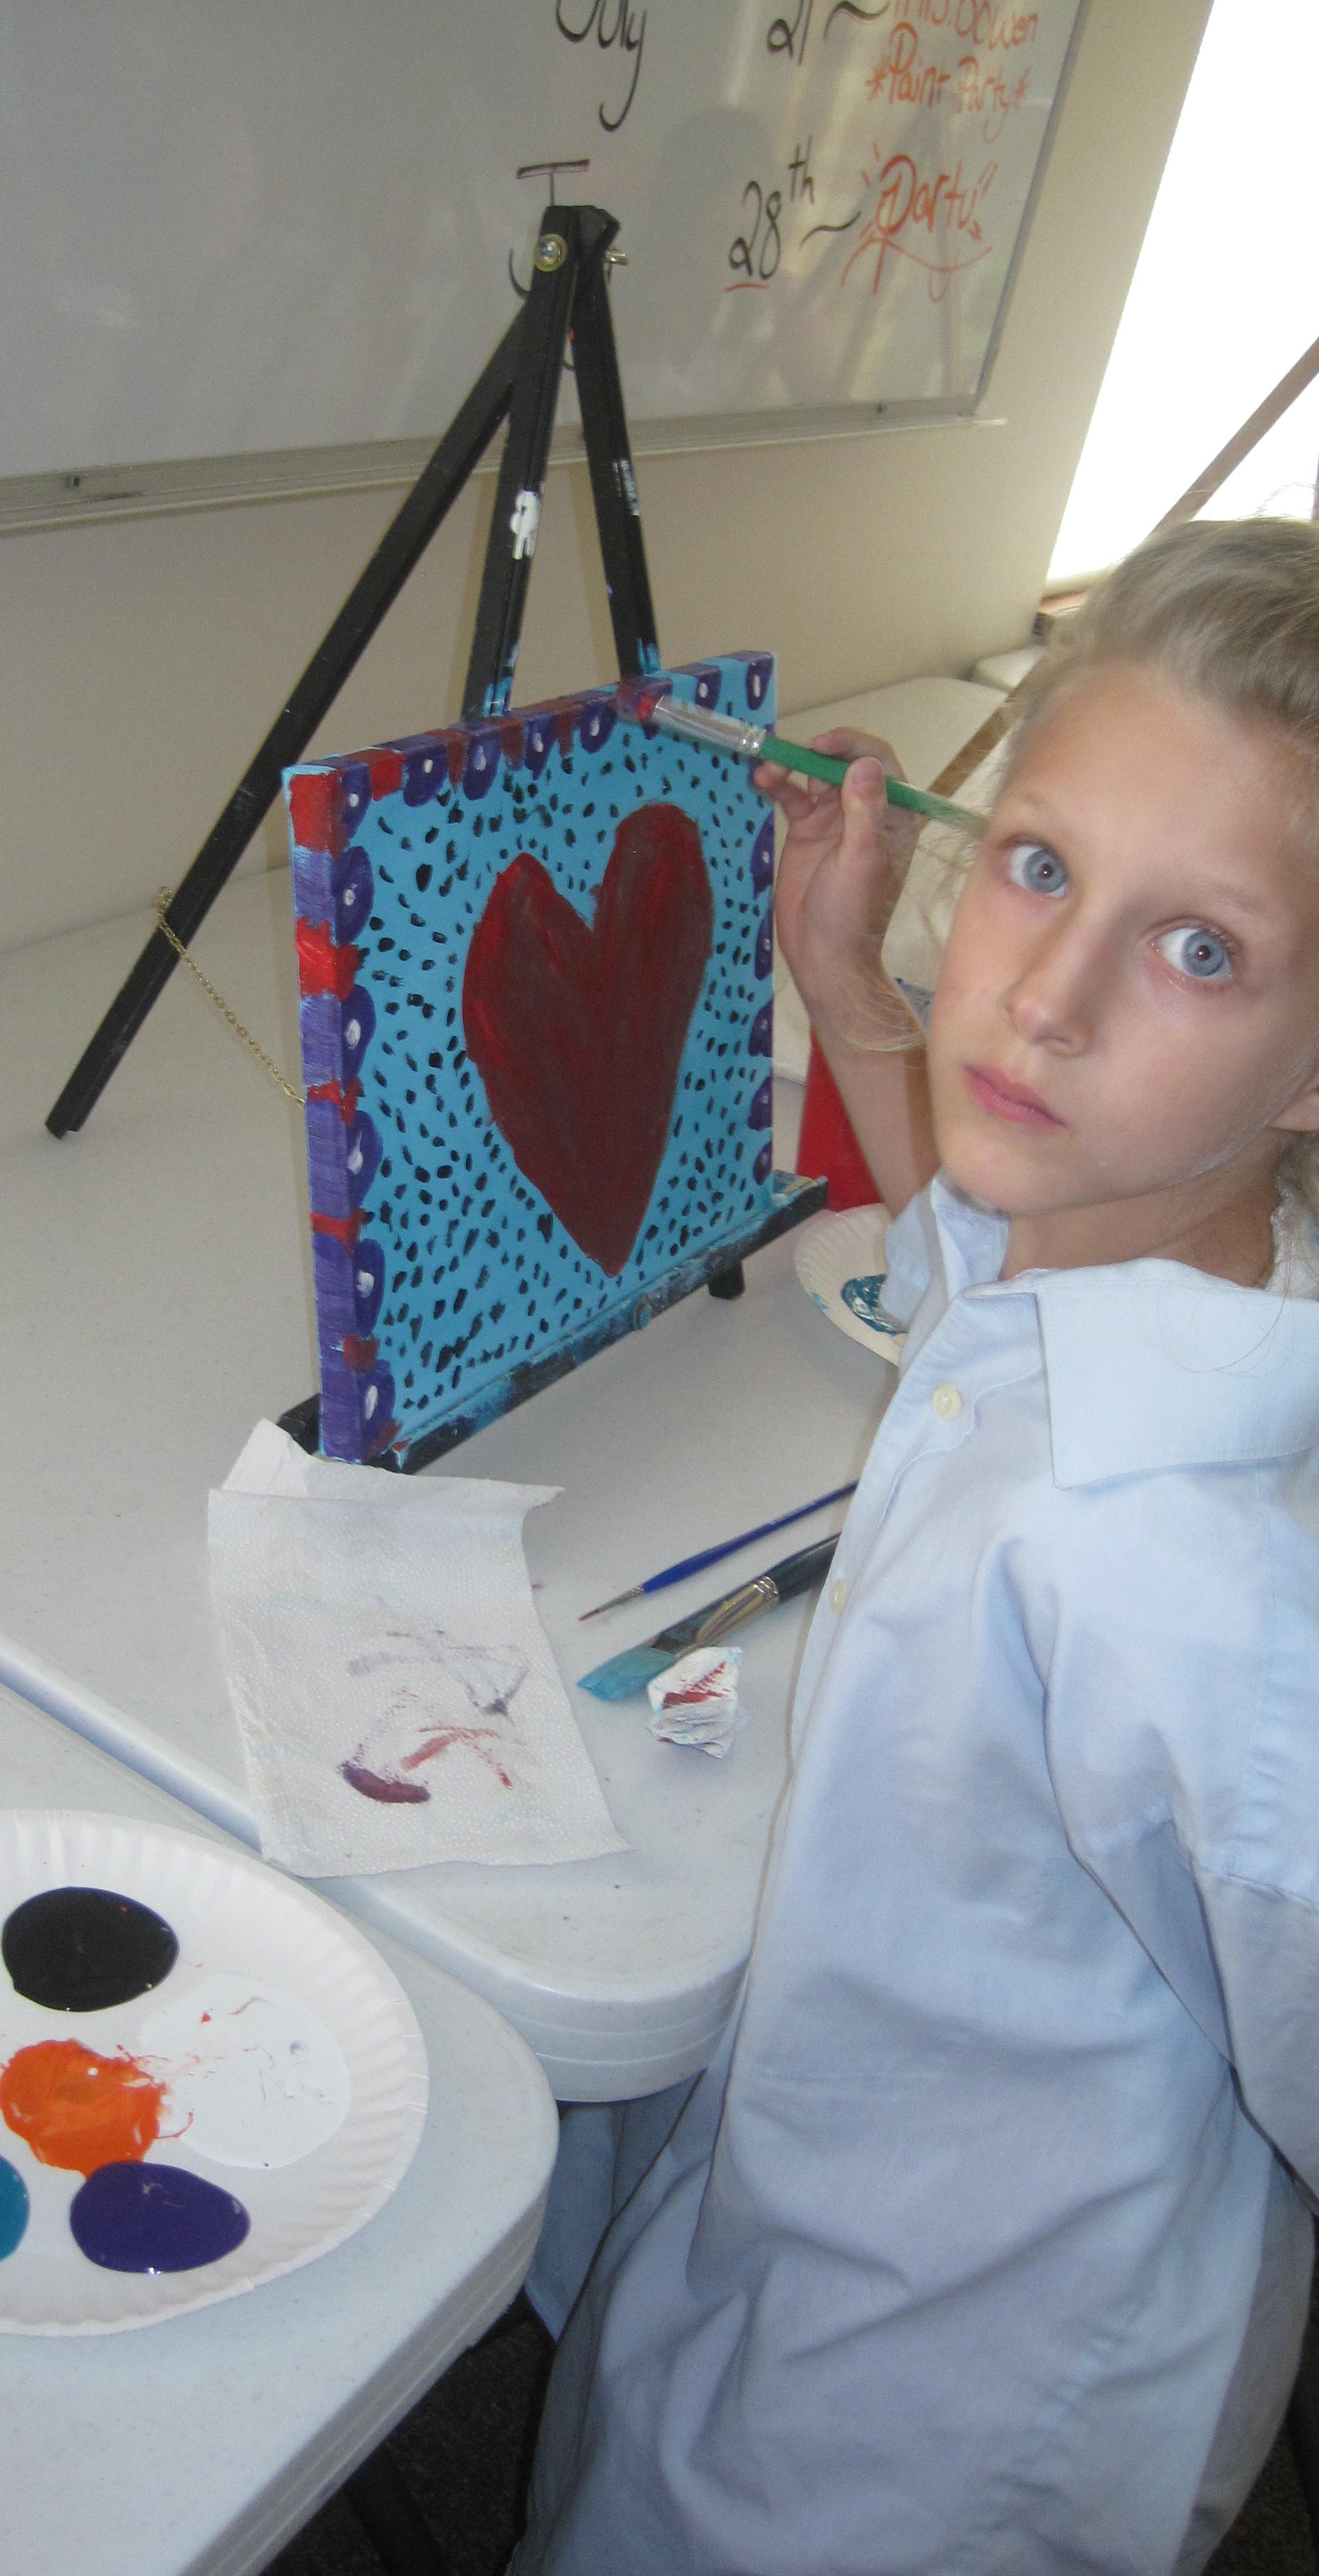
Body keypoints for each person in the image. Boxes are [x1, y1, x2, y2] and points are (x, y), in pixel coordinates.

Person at [512, 518, 1319, 2576]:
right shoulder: (1127, 1247)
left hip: (936, 2409)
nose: (1040, 1001)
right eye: (1040, 868)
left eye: (1199, 950)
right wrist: (851, 983)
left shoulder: (1208, 1598)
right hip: (816, 2181)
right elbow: (967, 1259)